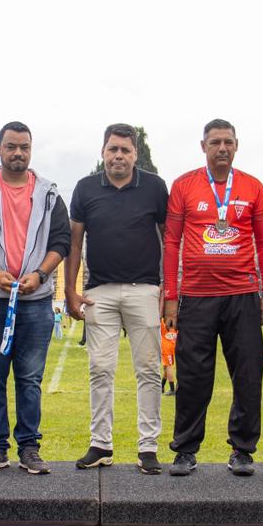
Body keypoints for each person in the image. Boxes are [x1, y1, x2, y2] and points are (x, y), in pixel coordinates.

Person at [0, 121, 70, 475]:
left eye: (24, 147)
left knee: (30, 378)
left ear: (30, 149)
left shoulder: (49, 193)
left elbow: (61, 241)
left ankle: (30, 448)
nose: (17, 153)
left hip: (35, 301)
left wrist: (41, 274)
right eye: (11, 146)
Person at [162, 119, 263, 477]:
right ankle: (185, 450)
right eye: (215, 142)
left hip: (242, 294)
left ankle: (242, 450)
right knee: (194, 377)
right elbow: (172, 241)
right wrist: (170, 295)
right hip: (196, 296)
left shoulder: (252, 186)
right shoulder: (184, 185)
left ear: (237, 145)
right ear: (203, 146)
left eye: (228, 142)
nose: (222, 148)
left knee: (246, 375)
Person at [65, 123, 169, 475]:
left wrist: (169, 288)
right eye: (113, 149)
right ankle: (101, 444)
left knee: (149, 371)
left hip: (145, 290)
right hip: (99, 292)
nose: (118, 156)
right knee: (100, 370)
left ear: (135, 154)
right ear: (103, 151)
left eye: (125, 150)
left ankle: (148, 447)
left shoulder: (154, 186)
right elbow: (75, 243)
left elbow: (168, 239)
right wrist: (70, 289)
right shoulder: (85, 188)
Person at [160, 320, 177, 396]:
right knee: (166, 367)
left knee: (168, 367)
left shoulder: (163, 322)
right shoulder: (175, 321)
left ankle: (172, 389)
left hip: (166, 348)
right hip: (173, 346)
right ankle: (162, 386)